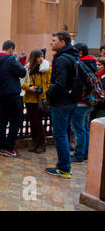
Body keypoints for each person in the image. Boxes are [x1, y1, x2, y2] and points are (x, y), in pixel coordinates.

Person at [45, 31, 78, 179]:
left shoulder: (62, 60)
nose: (51, 43)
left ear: (62, 42)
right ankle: (63, 166)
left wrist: (48, 92)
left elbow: (60, 83)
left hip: (61, 102)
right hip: (70, 101)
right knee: (64, 133)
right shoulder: (72, 56)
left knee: (60, 135)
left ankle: (64, 167)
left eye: (54, 40)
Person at [0, 40, 27, 158]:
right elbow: (23, 72)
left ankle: (2, 146)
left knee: (2, 120)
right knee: (17, 119)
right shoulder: (10, 60)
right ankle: (10, 147)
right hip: (12, 94)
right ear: (10, 49)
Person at [70, 43, 97, 163]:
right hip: (89, 102)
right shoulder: (91, 63)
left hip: (80, 102)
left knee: (79, 130)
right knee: (85, 129)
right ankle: (85, 153)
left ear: (79, 53)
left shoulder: (80, 65)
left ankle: (79, 155)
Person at [22, 50, 51, 154]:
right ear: (33, 58)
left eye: (42, 56)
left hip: (40, 99)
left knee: (38, 122)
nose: (41, 59)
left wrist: (43, 90)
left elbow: (49, 83)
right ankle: (35, 143)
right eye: (38, 57)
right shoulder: (27, 68)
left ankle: (42, 143)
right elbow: (22, 83)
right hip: (29, 98)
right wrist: (29, 87)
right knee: (32, 122)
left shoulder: (47, 69)